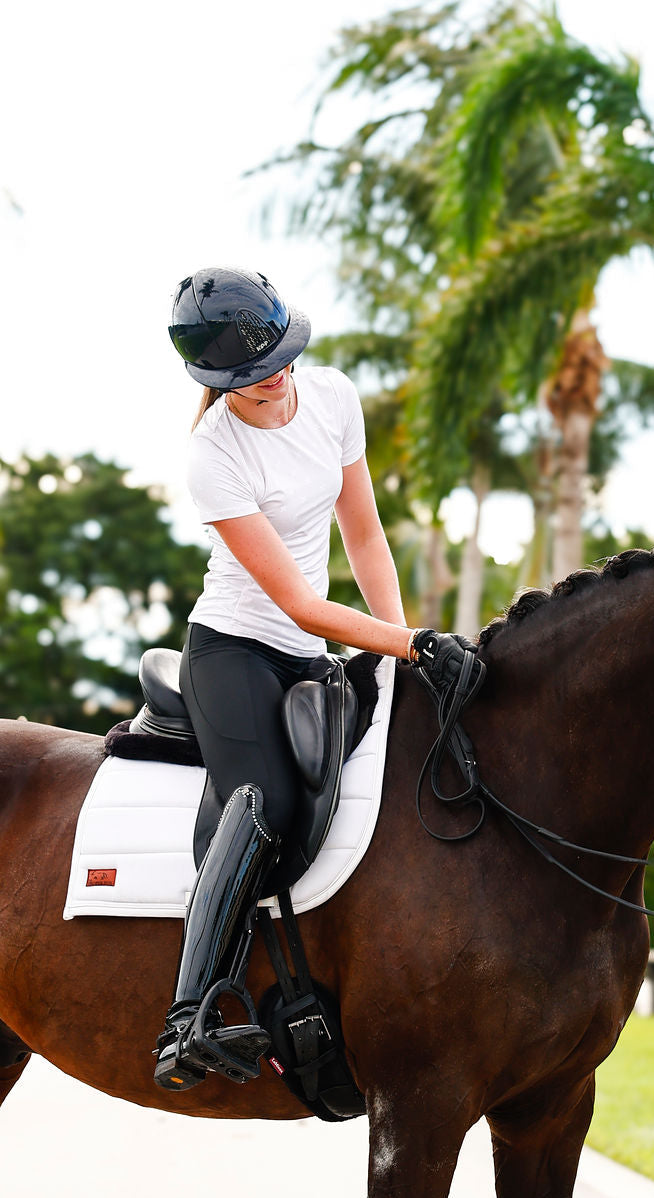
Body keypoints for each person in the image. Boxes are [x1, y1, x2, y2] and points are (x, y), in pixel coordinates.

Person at [154, 266, 478, 1092]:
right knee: (263, 802)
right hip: (234, 648)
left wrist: (396, 648)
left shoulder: (331, 397)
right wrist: (408, 643)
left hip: (321, 645)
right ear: (217, 381)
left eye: (284, 356)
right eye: (258, 376)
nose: (280, 376)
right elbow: (298, 602)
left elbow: (364, 537)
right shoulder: (211, 455)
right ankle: (187, 1015)